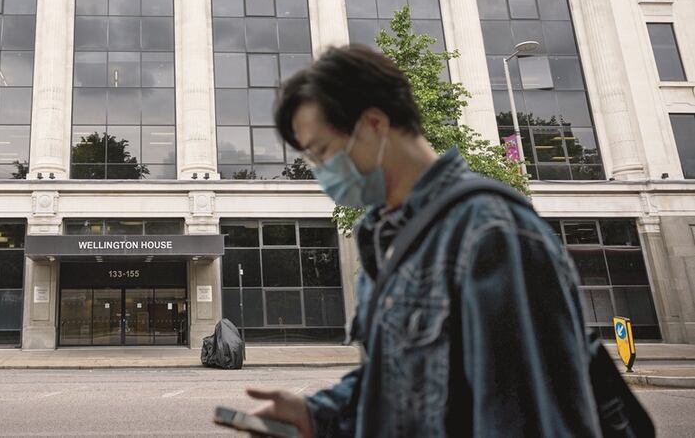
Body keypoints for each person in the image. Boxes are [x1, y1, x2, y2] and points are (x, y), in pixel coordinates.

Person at [245, 44, 599, 437]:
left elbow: (533, 417)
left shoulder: (490, 231)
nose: (320, 171)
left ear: (374, 124)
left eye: (323, 151)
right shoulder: (382, 238)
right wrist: (317, 414)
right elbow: (400, 386)